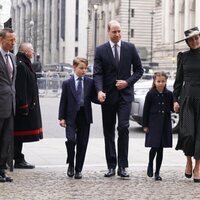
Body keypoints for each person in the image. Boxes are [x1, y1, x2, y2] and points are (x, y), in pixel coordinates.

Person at [93, 20, 144, 178]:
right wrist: (99, 90)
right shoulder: (100, 50)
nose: (117, 34)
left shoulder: (130, 48)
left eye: (119, 31)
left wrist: (127, 82)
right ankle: (111, 165)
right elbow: (98, 73)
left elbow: (139, 70)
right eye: (114, 31)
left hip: (125, 96)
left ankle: (122, 166)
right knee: (109, 131)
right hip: (107, 97)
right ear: (108, 32)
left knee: (123, 127)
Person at [58, 57, 97, 179]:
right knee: (71, 140)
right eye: (81, 68)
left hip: (84, 116)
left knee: (82, 143)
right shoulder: (67, 83)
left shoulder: (90, 82)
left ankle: (78, 169)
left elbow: (93, 98)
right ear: (74, 67)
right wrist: (61, 117)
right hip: (71, 117)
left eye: (85, 68)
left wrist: (102, 98)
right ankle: (71, 164)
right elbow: (63, 101)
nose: (84, 71)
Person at [173, 27, 200, 182]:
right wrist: (175, 99)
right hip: (187, 98)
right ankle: (188, 160)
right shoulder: (183, 56)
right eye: (191, 39)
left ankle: (198, 166)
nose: (195, 41)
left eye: (197, 38)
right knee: (188, 133)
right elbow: (178, 81)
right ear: (187, 42)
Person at [14, 42, 43, 169]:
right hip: (23, 107)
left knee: (19, 135)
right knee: (18, 134)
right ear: (26, 52)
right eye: (31, 50)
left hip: (28, 105)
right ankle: (17, 158)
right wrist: (24, 105)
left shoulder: (25, 63)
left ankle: (18, 156)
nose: (33, 52)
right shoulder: (21, 65)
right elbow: (21, 88)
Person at [143, 72, 173, 181]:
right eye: (158, 81)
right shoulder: (150, 94)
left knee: (161, 149)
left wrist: (176, 106)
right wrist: (145, 125)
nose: (161, 83)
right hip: (153, 124)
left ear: (166, 82)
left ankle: (157, 172)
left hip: (165, 124)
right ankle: (150, 164)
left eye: (163, 81)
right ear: (154, 82)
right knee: (154, 147)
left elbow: (172, 108)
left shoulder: (169, 94)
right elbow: (145, 110)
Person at [0, 28, 16, 182]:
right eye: (10, 40)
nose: (13, 43)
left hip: (10, 105)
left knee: (6, 140)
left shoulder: (12, 57)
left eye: (14, 40)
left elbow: (12, 83)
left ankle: (1, 171)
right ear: (1, 39)